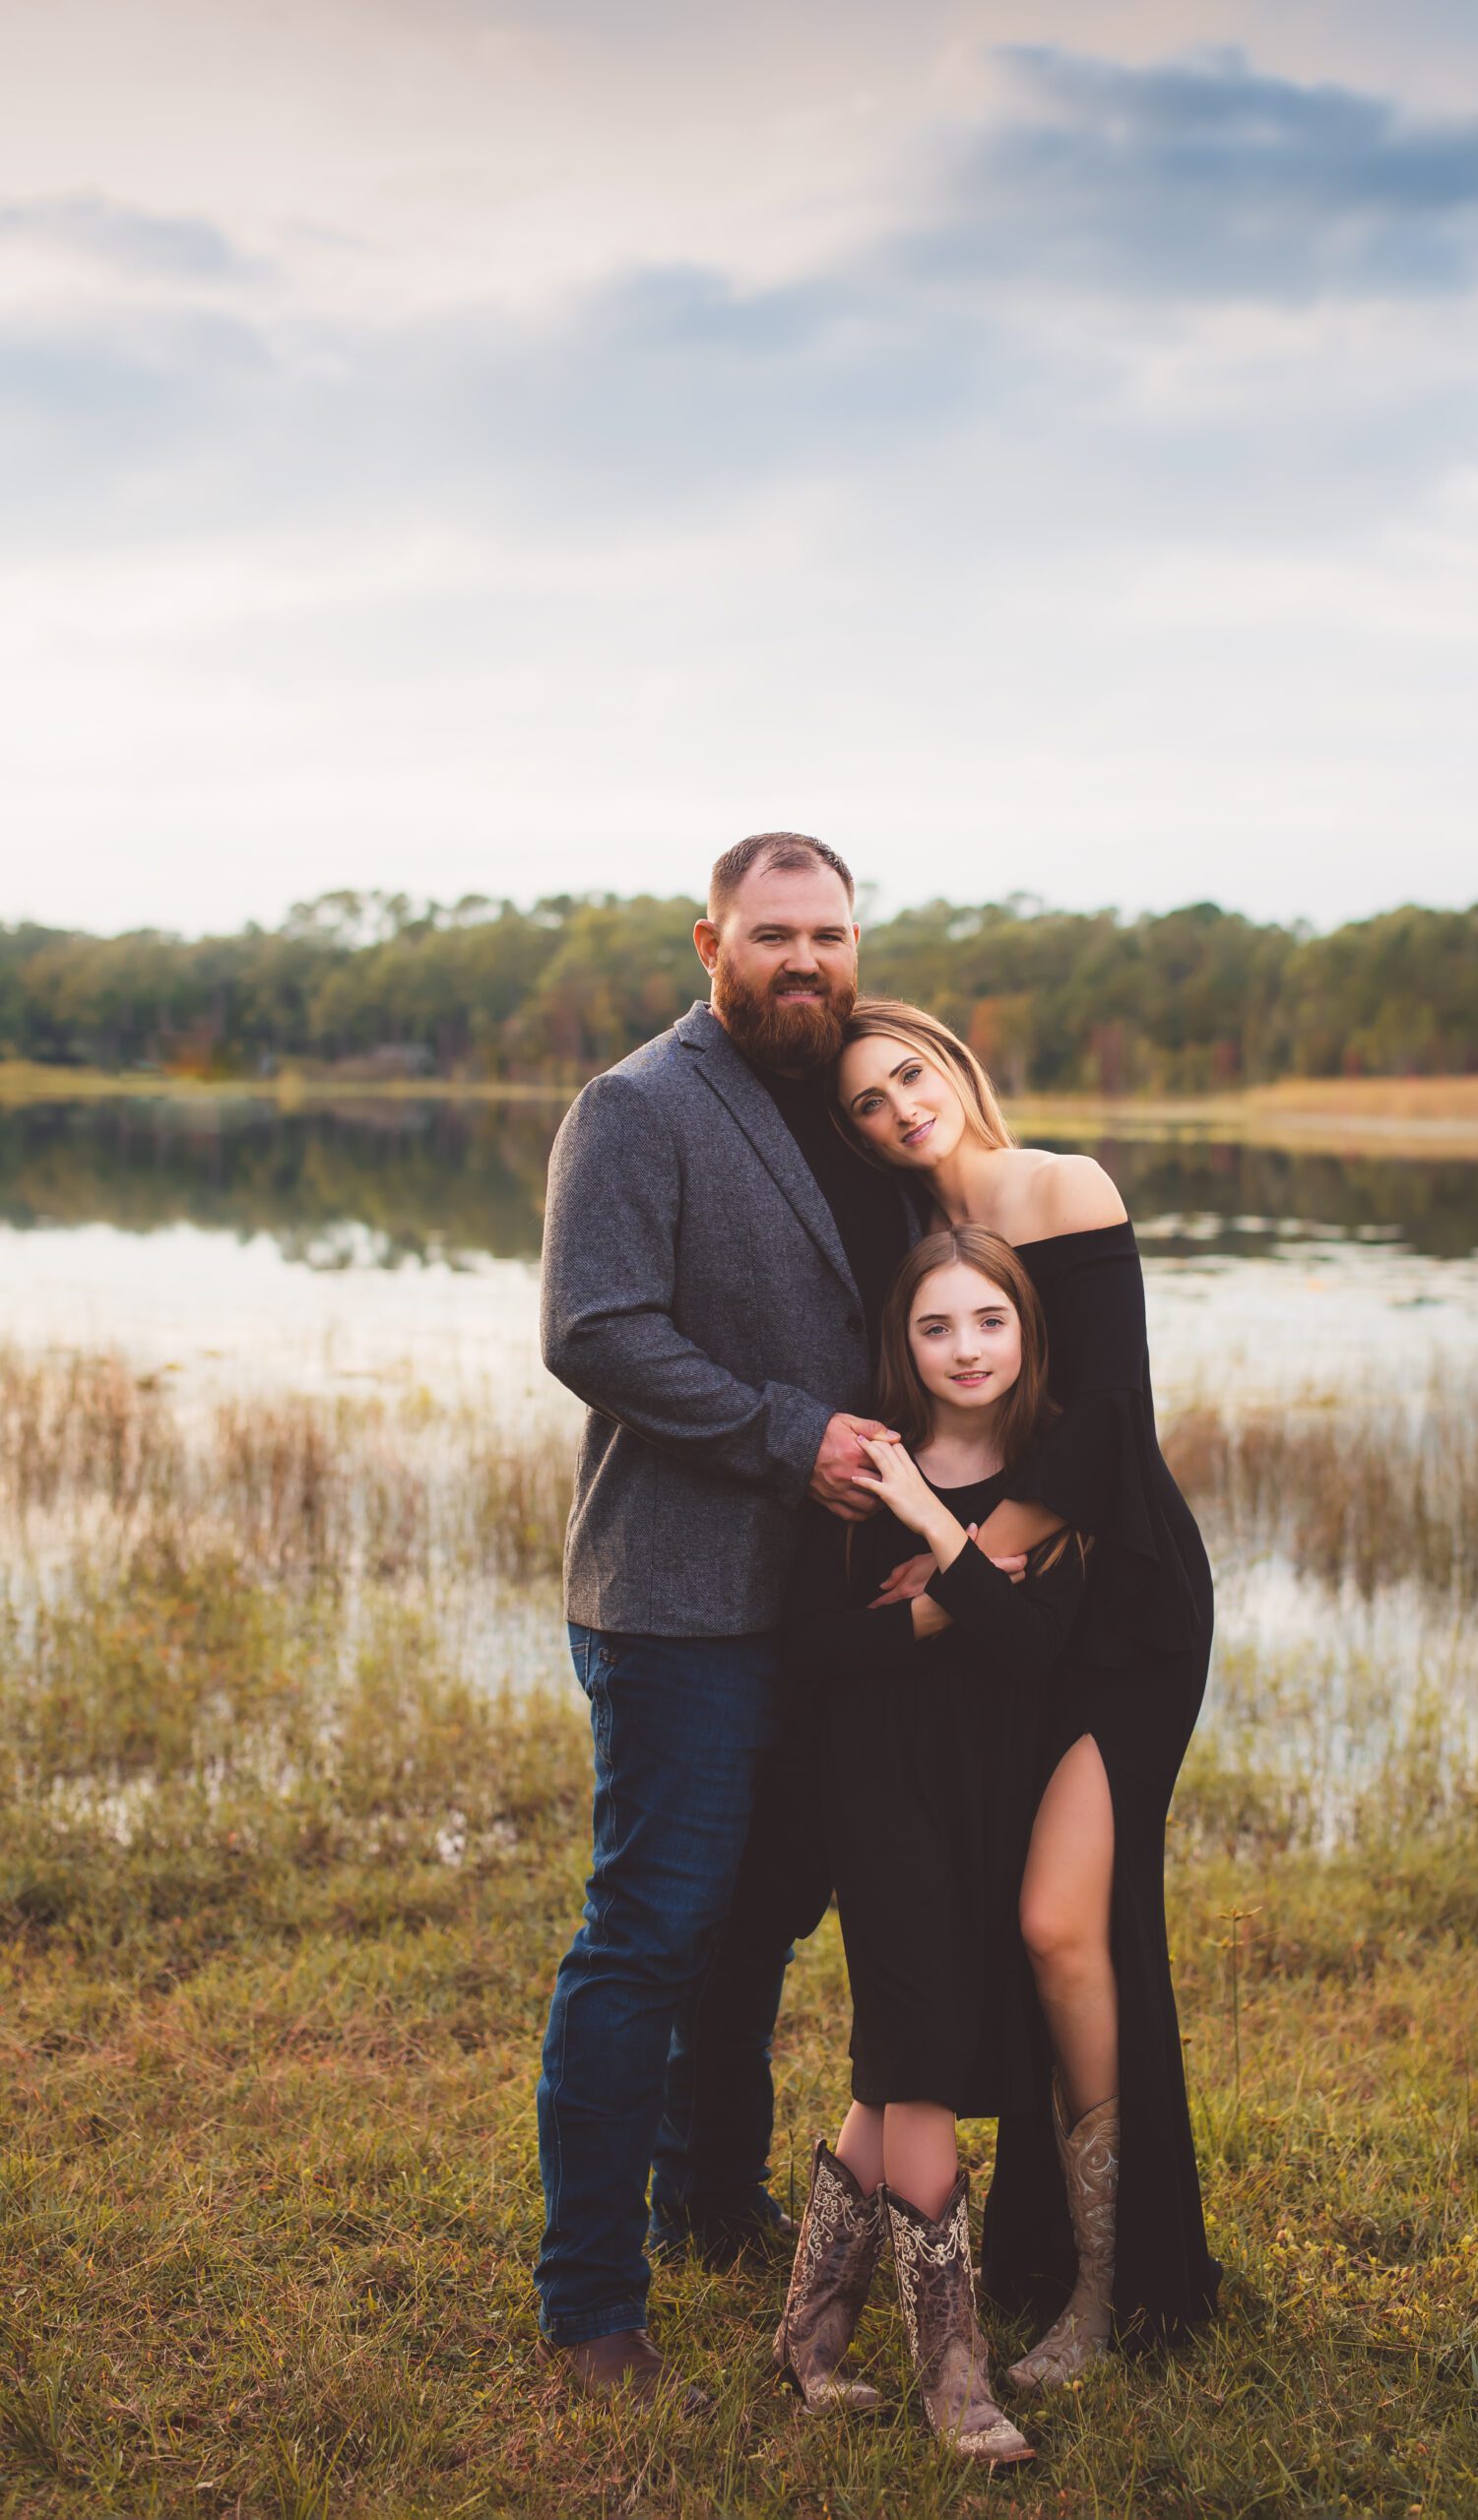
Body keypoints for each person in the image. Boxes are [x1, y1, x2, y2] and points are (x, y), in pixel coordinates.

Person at [532, 834, 923, 2404]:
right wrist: (791, 1437)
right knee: (648, 1937)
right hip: (679, 1601)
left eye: (828, 933)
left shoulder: (856, 1103)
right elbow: (593, 1328)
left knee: (757, 1927)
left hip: (826, 1607)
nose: (805, 962)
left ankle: (708, 2201)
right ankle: (588, 2310)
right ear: (710, 943)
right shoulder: (636, 1108)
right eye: (772, 935)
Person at [830, 999, 1221, 2380]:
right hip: (1012, 1632)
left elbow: (1107, 1416)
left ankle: (1108, 2294)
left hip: (1116, 1612)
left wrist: (956, 1570)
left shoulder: (1060, 1186)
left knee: (1065, 1926)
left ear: (950, 1060)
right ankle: (1048, 2257)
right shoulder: (901, 1238)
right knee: (1032, 1923)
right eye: (864, 1104)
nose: (895, 1110)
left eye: (906, 1076)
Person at [772, 1228, 1087, 2465]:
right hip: (880, 1789)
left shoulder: (1056, 1476)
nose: (966, 1349)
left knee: (899, 2059)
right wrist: (934, 1594)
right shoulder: (864, 1472)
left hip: (994, 1792)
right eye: (936, 1326)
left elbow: (1034, 1650)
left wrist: (945, 1552)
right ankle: (954, 2375)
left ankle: (809, 2333)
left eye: (989, 1321)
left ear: (1026, 1329)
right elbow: (808, 1651)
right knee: (924, 2067)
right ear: (901, 1341)